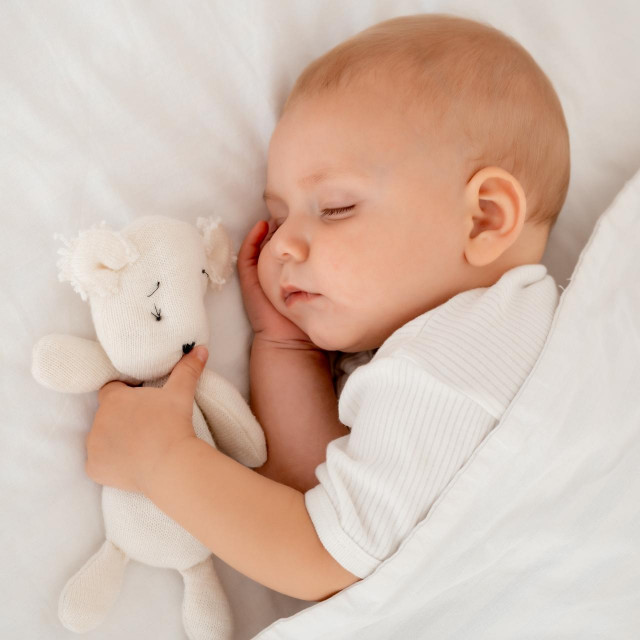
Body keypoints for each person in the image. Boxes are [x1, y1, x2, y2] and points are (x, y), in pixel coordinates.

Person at [85, 13, 570, 603]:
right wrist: (287, 346)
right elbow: (313, 498)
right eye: (280, 214)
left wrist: (160, 460)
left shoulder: (454, 364)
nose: (283, 243)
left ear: (485, 218)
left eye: (336, 207)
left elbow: (322, 562)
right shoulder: (477, 344)